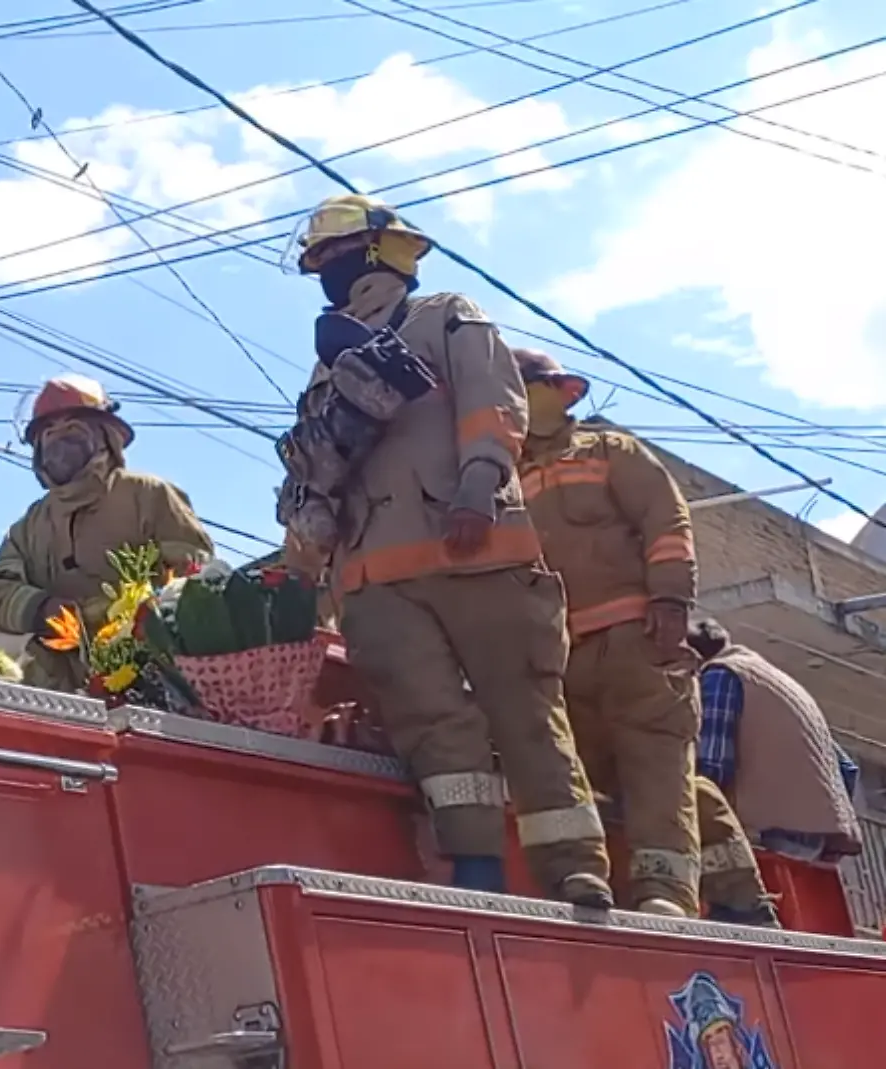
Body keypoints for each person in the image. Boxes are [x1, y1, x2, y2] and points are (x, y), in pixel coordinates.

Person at [284, 194, 611, 907]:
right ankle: (476, 865)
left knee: (524, 710)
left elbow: (494, 401)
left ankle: (573, 868)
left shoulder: (446, 315)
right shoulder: (321, 374)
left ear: (379, 252)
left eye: (336, 255)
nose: (328, 271)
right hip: (377, 585)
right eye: (320, 261)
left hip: (476, 549)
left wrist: (480, 481)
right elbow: (316, 474)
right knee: (434, 726)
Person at [516, 349, 777, 924]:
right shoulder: (505, 478)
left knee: (655, 769)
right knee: (630, 775)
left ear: (563, 394)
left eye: (532, 387)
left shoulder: (611, 453)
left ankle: (668, 896)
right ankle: (737, 888)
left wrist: (669, 600)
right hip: (565, 658)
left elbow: (667, 521)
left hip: (636, 640)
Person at [0, 375, 213, 691]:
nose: (59, 440)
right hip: (59, 691)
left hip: (154, 680)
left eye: (73, 429)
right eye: (49, 433)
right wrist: (40, 608)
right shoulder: (30, 525)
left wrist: (134, 619)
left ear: (105, 437)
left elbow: (199, 583)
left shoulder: (148, 495)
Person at [688, 617, 864, 865]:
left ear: (691, 658)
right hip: (814, 842)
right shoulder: (780, 682)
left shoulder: (720, 674)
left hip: (768, 833)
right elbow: (847, 768)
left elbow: (711, 769)